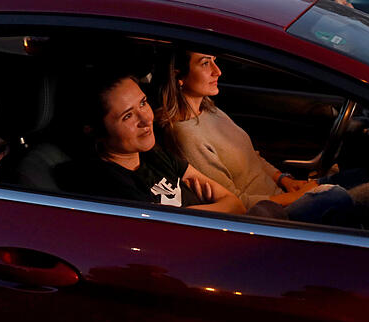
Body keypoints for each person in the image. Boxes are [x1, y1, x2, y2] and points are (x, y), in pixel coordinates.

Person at [155, 50, 357, 225]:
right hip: (270, 215)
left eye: (214, 61)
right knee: (337, 197)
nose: (218, 71)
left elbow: (252, 156)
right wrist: (295, 197)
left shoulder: (209, 110)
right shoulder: (184, 135)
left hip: (282, 193)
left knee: (357, 175)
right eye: (205, 63)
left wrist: (284, 179)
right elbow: (237, 202)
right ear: (178, 76)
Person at [70, 68, 246, 215]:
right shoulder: (110, 185)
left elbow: (236, 206)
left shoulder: (152, 154)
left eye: (143, 103)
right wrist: (204, 208)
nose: (146, 119)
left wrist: (191, 212)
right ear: (95, 130)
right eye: (128, 116)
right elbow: (170, 233)